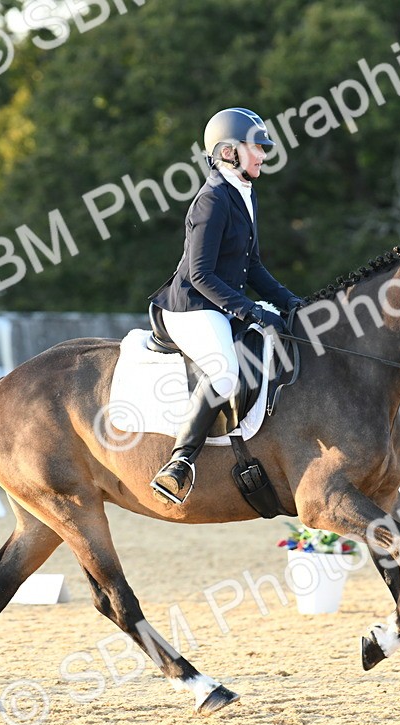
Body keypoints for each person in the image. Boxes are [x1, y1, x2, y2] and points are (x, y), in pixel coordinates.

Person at [147, 107, 303, 505]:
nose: (263, 156)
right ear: (229, 152)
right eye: (257, 149)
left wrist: (290, 302)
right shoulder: (212, 200)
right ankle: (179, 464)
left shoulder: (244, 194)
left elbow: (251, 266)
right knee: (225, 371)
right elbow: (200, 274)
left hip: (219, 303)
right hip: (190, 307)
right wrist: (252, 312)